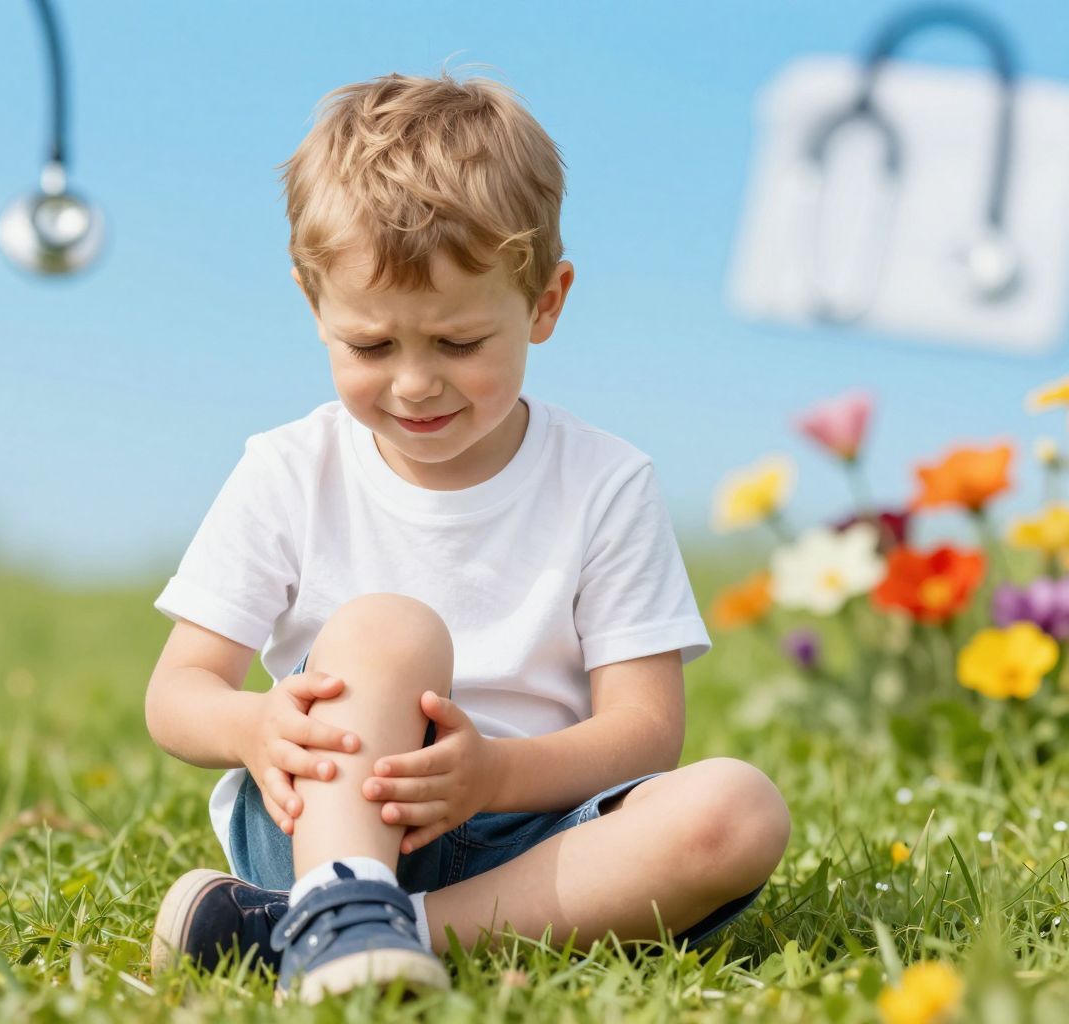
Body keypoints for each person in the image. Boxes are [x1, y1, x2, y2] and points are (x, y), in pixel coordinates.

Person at [144, 67, 791, 1004]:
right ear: (312, 302)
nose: (413, 384)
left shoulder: (605, 482)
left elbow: (648, 731)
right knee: (388, 630)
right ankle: (338, 897)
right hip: (330, 814)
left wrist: (495, 773)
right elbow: (178, 693)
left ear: (544, 303)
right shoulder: (290, 469)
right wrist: (252, 725)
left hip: (536, 829)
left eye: (457, 344)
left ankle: (329, 935)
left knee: (737, 811)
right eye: (371, 347)